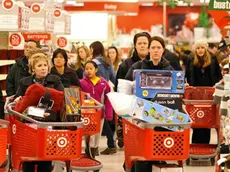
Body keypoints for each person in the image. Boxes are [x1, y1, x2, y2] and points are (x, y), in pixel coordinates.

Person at [124, 36, 173, 172]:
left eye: (159, 48)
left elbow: (175, 92)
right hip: (140, 117)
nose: (156, 50)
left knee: (158, 150)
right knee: (142, 153)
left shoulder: (169, 68)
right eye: (153, 47)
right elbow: (125, 88)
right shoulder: (137, 67)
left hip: (162, 118)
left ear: (163, 50)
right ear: (149, 49)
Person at [14, 53, 64, 172]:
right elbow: (18, 97)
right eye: (39, 65)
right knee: (28, 157)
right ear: (33, 69)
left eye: (45, 65)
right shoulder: (24, 82)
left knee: (45, 157)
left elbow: (62, 97)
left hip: (48, 124)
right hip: (28, 124)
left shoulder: (56, 80)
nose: (43, 68)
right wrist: (17, 99)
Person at [115, 32, 151, 148]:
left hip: (151, 110)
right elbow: (119, 89)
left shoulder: (155, 63)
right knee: (133, 145)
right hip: (131, 110)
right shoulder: (126, 65)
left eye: (145, 43)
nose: (142, 46)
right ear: (135, 45)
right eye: (139, 43)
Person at [185, 39, 222, 144]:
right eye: (197, 48)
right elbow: (186, 75)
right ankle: (195, 143)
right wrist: (187, 83)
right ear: (195, 49)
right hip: (195, 94)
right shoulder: (190, 59)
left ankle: (206, 143)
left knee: (208, 118)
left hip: (210, 94)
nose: (200, 50)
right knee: (196, 118)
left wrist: (217, 85)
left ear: (205, 48)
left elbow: (218, 75)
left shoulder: (213, 58)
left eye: (202, 47)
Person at [80, 61, 113, 158]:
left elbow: (108, 99)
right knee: (88, 136)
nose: (88, 71)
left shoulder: (104, 83)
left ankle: (93, 154)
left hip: (100, 115)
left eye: (91, 69)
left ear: (96, 69)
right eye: (86, 69)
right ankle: (89, 154)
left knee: (97, 136)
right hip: (86, 115)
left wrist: (109, 113)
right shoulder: (81, 83)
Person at [89, 41, 117, 155]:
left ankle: (96, 146)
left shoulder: (92, 63)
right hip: (105, 92)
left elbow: (86, 77)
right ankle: (110, 144)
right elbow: (113, 78)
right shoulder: (107, 62)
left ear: (93, 49)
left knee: (97, 119)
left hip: (94, 93)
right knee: (103, 118)